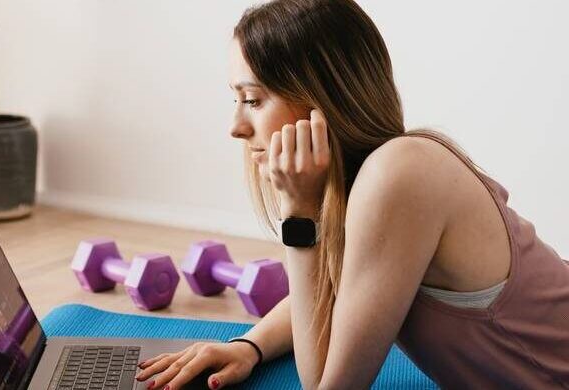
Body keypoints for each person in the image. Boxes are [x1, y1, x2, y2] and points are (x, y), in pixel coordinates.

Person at [134, 1, 569, 389]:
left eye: (252, 99)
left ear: (321, 97)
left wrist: (299, 215)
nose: (236, 126)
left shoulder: (400, 171)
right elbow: (344, 293)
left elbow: (328, 383)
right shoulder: (380, 177)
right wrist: (250, 346)